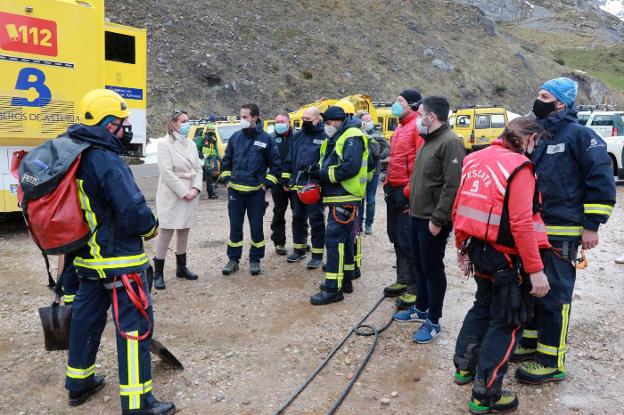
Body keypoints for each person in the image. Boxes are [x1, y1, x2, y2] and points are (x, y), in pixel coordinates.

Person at [64, 89, 174, 414]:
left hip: (86, 261)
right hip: (120, 263)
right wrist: (152, 227)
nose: (126, 129)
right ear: (109, 124)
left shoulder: (75, 152)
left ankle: (78, 383)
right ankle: (138, 403)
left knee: (85, 321)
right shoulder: (107, 160)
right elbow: (133, 211)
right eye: (123, 123)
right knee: (133, 328)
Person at [513, 78, 616, 384]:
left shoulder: (579, 135)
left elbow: (601, 181)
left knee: (554, 295)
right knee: (531, 289)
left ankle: (551, 359)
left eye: (544, 95)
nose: (537, 99)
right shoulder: (539, 135)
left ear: (560, 102)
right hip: (535, 231)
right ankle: (531, 343)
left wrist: (591, 226)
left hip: (563, 232)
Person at [452, 117, 552, 414]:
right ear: (529, 138)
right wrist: (535, 269)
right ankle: (486, 394)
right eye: (537, 142)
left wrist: (461, 248)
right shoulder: (519, 167)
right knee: (507, 321)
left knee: (482, 306)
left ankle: (464, 368)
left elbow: (460, 205)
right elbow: (521, 222)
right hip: (509, 259)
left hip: (480, 251)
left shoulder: (474, 158)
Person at [402, 96, 465, 343]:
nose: (418, 119)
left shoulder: (450, 142)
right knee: (419, 265)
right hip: (417, 215)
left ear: (432, 116)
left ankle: (434, 320)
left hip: (432, 220)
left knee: (433, 269)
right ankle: (420, 308)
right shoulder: (428, 141)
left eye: (420, 115)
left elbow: (453, 185)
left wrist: (438, 219)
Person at [309, 106, 368, 305]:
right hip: (339, 197)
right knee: (344, 240)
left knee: (334, 243)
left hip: (344, 196)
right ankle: (346, 280)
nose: (326, 126)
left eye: (328, 123)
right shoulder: (338, 137)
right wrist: (314, 170)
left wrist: (323, 175)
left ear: (338, 121)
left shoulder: (351, 135)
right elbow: (329, 162)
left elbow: (349, 167)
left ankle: (334, 289)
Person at [220, 104, 281, 276]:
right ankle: (233, 260)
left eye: (245, 117)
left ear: (255, 117)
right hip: (236, 193)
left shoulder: (266, 139)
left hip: (256, 193)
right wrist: (226, 180)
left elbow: (275, 166)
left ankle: (255, 260)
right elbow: (226, 161)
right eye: (241, 116)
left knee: (256, 228)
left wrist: (265, 185)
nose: (242, 120)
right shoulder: (235, 137)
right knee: (235, 228)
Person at [382, 89, 424, 311]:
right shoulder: (400, 126)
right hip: (394, 188)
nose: (395, 104)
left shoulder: (416, 127)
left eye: (400, 101)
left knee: (409, 241)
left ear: (413, 104)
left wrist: (408, 192)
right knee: (397, 238)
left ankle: (414, 288)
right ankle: (402, 278)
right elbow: (396, 159)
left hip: (406, 191)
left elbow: (418, 163)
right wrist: (388, 181)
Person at [152, 110, 202, 290]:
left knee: (184, 230)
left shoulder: (191, 144)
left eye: (188, 120)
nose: (187, 124)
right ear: (173, 123)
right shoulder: (164, 144)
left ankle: (181, 268)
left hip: (190, 191)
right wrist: (184, 192)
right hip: (171, 193)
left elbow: (198, 168)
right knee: (166, 232)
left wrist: (195, 188)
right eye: (183, 121)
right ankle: (158, 273)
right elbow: (166, 172)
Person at [282, 106, 326, 269]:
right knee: (297, 217)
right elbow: (289, 158)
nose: (305, 122)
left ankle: (317, 254)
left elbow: (326, 160)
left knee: (316, 220)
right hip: (296, 185)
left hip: (314, 185)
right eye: (303, 119)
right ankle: (299, 249)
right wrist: (286, 179)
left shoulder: (324, 136)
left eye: (308, 119)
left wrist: (318, 174)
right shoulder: (298, 135)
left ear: (317, 119)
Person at [357, 111, 389, 235]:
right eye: (365, 120)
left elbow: (387, 147)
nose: (369, 122)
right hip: (360, 172)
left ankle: (368, 225)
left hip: (374, 172)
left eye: (370, 120)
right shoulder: (357, 134)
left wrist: (380, 156)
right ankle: (358, 224)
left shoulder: (377, 134)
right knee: (360, 199)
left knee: (371, 200)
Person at [270, 111, 295, 257]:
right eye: (277, 122)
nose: (279, 124)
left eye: (282, 122)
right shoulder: (271, 138)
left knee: (299, 213)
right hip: (278, 182)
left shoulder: (298, 137)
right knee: (279, 212)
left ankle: (301, 241)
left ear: (289, 122)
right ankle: (279, 242)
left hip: (295, 182)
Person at [200, 130, 220, 199]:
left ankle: (211, 193)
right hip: (204, 158)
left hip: (210, 158)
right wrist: (201, 156)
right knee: (208, 175)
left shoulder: (213, 139)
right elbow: (198, 148)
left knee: (210, 176)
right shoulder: (203, 139)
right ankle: (210, 193)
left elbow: (216, 149)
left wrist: (219, 158)